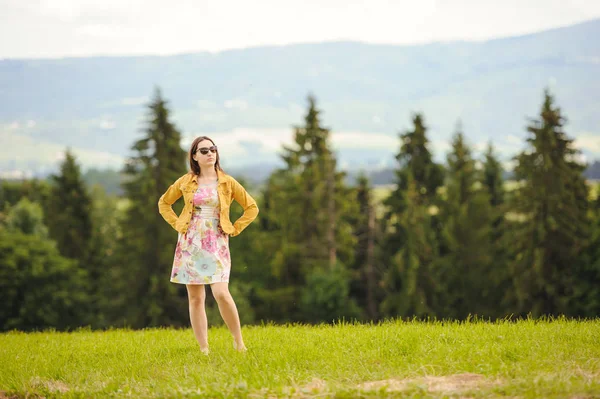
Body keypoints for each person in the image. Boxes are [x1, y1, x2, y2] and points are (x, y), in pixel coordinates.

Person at [158, 136, 259, 355]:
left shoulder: (227, 182)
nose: (210, 153)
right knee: (195, 297)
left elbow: (251, 207)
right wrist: (177, 223)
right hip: (190, 242)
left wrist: (235, 228)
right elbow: (164, 203)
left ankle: (239, 343)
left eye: (213, 149)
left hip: (216, 240)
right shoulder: (185, 181)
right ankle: (204, 349)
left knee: (221, 292)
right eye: (204, 151)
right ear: (194, 156)